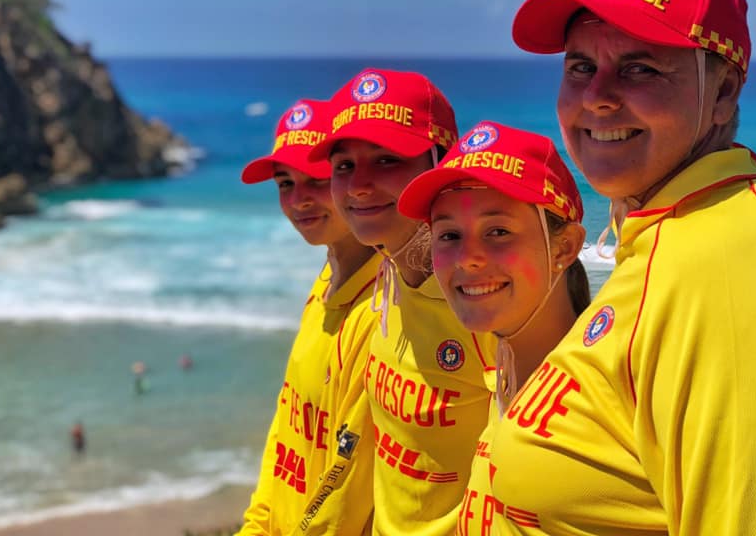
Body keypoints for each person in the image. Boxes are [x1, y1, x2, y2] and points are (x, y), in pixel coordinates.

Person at [481, 0, 756, 534]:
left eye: (639, 68)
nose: (596, 98)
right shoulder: (671, 237)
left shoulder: (729, 274)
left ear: (722, 93)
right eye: (581, 67)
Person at [308, 68, 496, 536]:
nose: (358, 187)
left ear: (438, 167)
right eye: (344, 166)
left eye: (387, 160)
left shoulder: (486, 295)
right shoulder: (388, 281)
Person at [398, 121, 591, 535]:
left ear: (564, 247)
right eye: (448, 234)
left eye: (498, 231)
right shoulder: (503, 381)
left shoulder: (600, 397)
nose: (467, 258)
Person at [237, 98, 381, 536]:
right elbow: (285, 431)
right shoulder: (328, 277)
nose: (298, 201)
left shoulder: (383, 309)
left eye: (316, 180)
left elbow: (346, 483)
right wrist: (256, 525)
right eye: (285, 184)